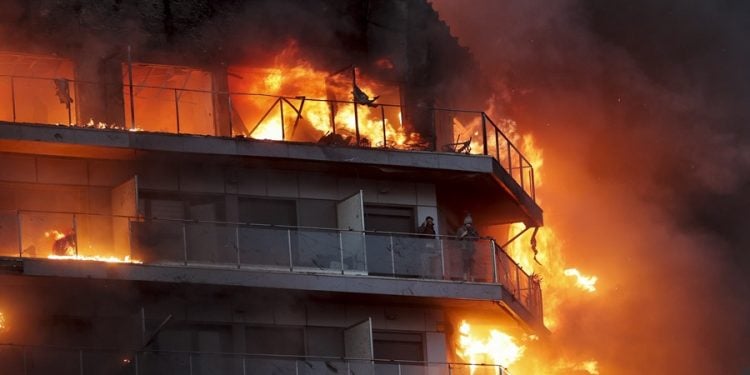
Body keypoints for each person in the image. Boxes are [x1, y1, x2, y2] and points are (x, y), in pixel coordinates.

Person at [456, 213, 479, 280]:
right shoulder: (461, 230)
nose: (469, 225)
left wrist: (473, 233)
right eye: (467, 223)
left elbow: (477, 238)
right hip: (464, 248)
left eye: (470, 224)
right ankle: (465, 276)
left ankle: (472, 277)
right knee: (465, 262)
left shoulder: (473, 230)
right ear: (465, 223)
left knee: (471, 263)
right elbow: (457, 239)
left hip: (471, 249)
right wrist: (463, 235)